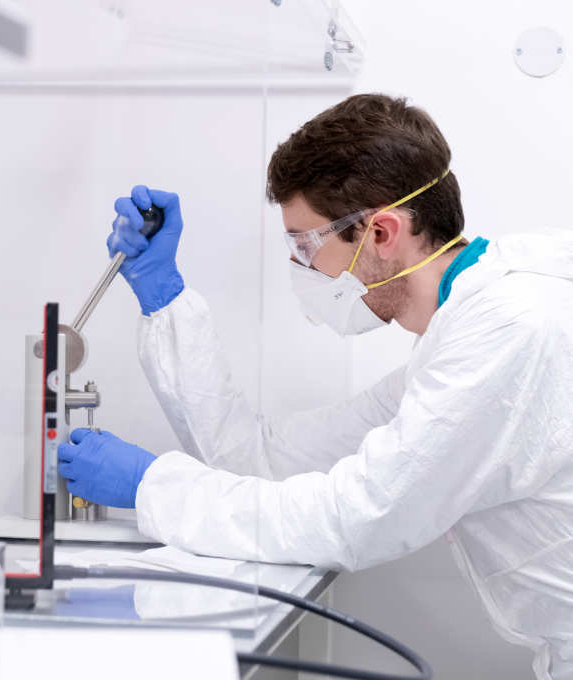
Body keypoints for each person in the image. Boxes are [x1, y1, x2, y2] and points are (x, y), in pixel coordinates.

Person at [57, 93, 573, 679]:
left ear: (381, 232)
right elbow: (261, 459)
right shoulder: (465, 331)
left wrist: (151, 486)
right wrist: (164, 296)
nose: (303, 268)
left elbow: (357, 518)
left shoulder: (506, 333)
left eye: (305, 245)